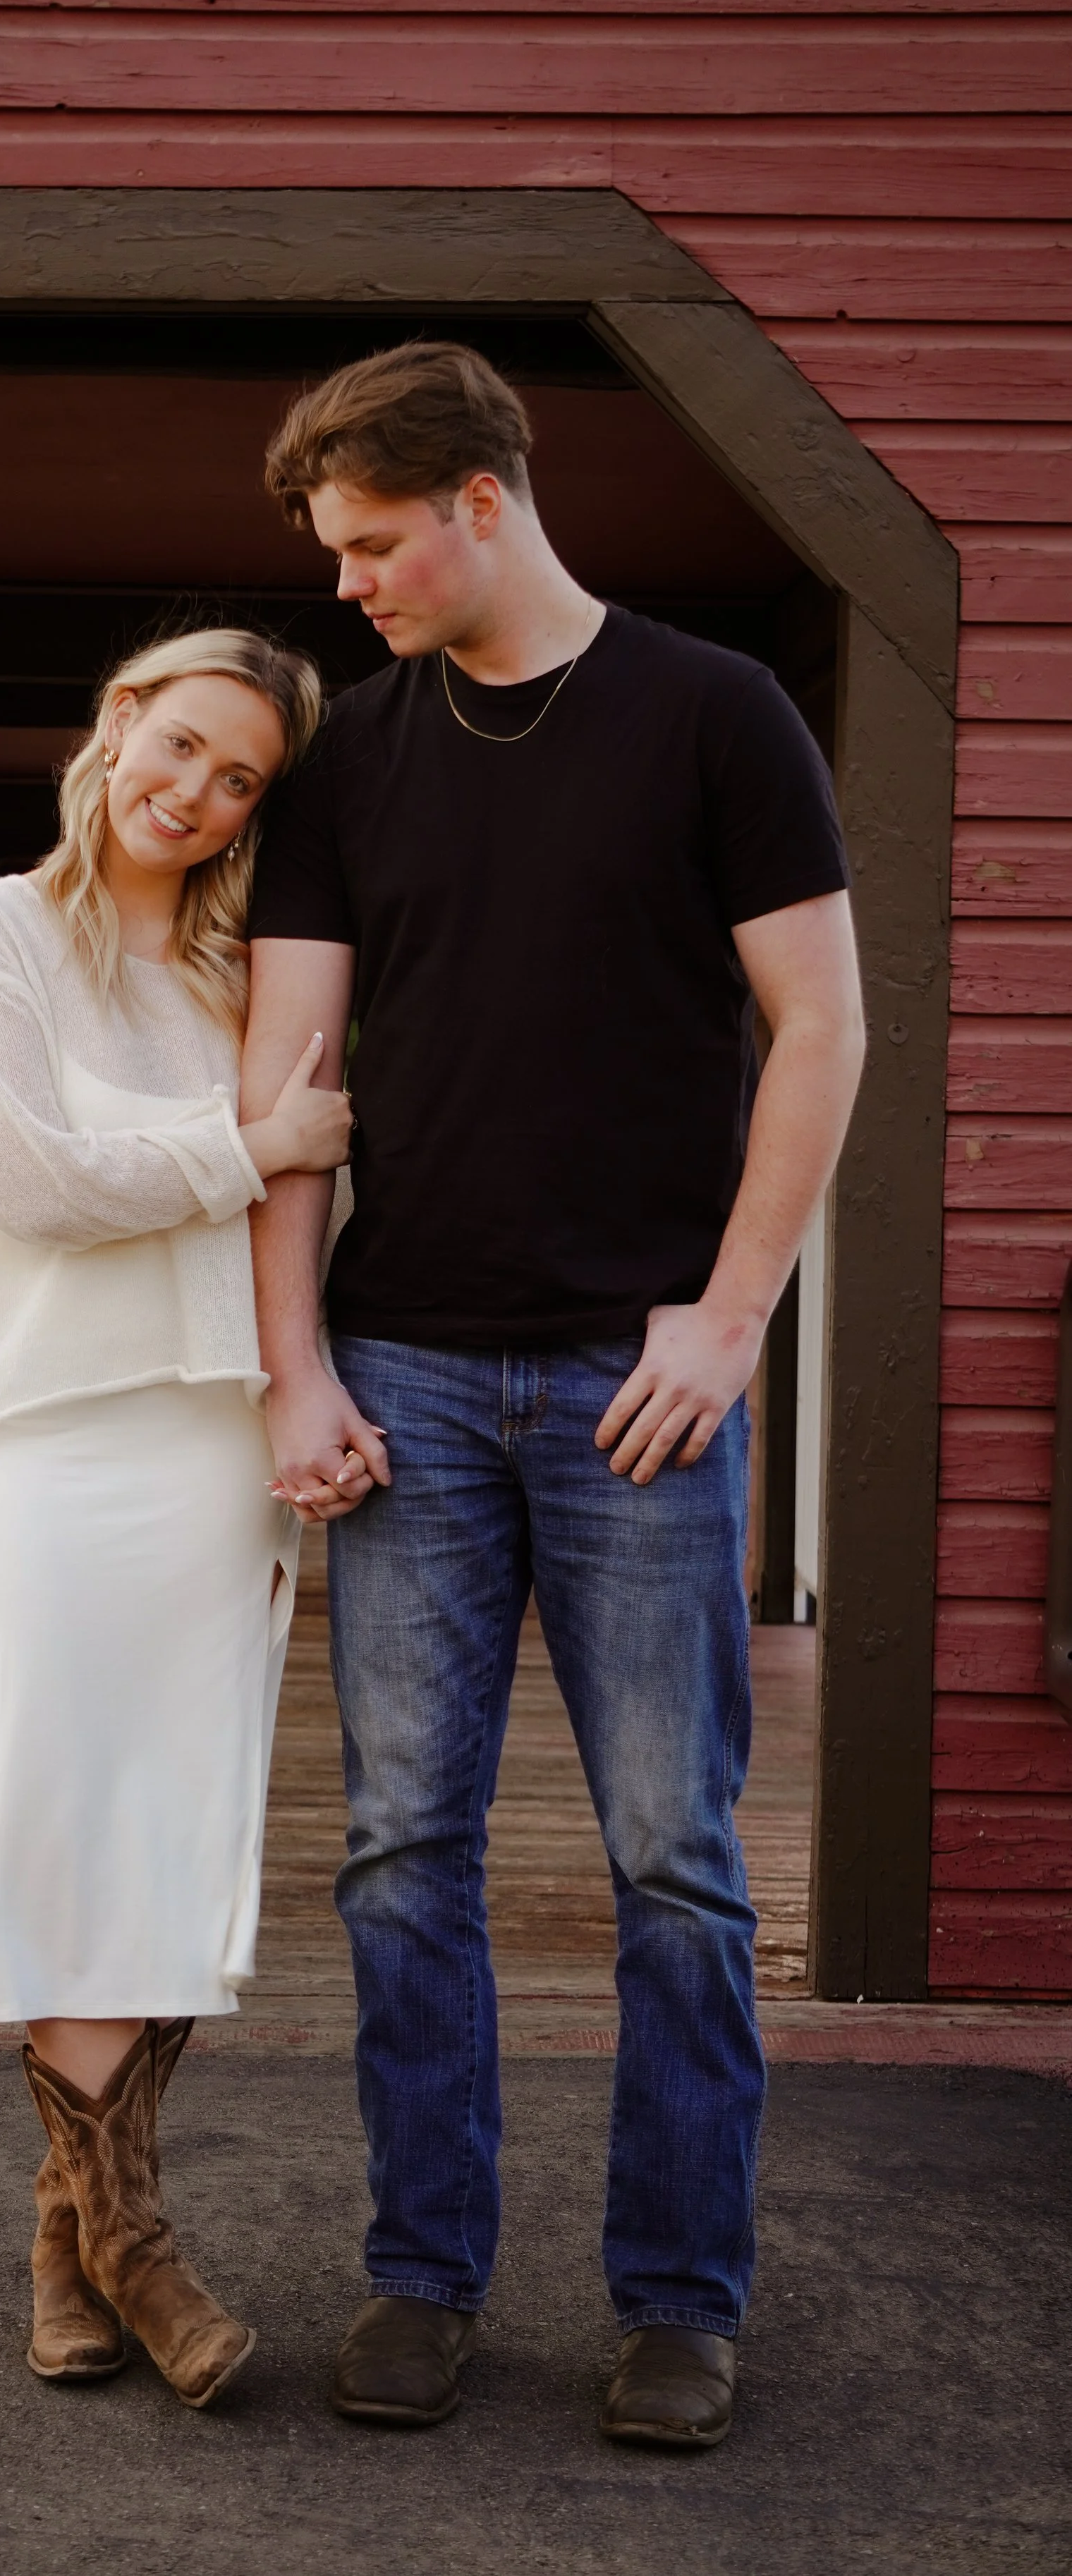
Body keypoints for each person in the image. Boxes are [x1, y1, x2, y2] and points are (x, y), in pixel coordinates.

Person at [240, 343, 865, 2443]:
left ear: (481, 498)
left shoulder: (714, 715)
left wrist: (730, 1309)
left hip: (637, 1382)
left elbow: (817, 1026)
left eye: (368, 543)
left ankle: (677, 2297)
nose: (348, 586)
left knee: (672, 1855)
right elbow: (289, 1098)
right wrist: (293, 1362)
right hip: (404, 1370)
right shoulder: (345, 768)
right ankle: (422, 2274)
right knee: (399, 1849)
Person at [0, 625, 347, 2412]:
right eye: (177, 746)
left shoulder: (248, 972)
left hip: (207, 1441)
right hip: (34, 1432)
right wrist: (252, 1148)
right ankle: (143, 2254)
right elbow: (29, 1183)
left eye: (236, 777)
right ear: (114, 725)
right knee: (50, 1818)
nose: (192, 793)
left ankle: (68, 2244)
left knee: (168, 1839)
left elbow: (321, 1197)